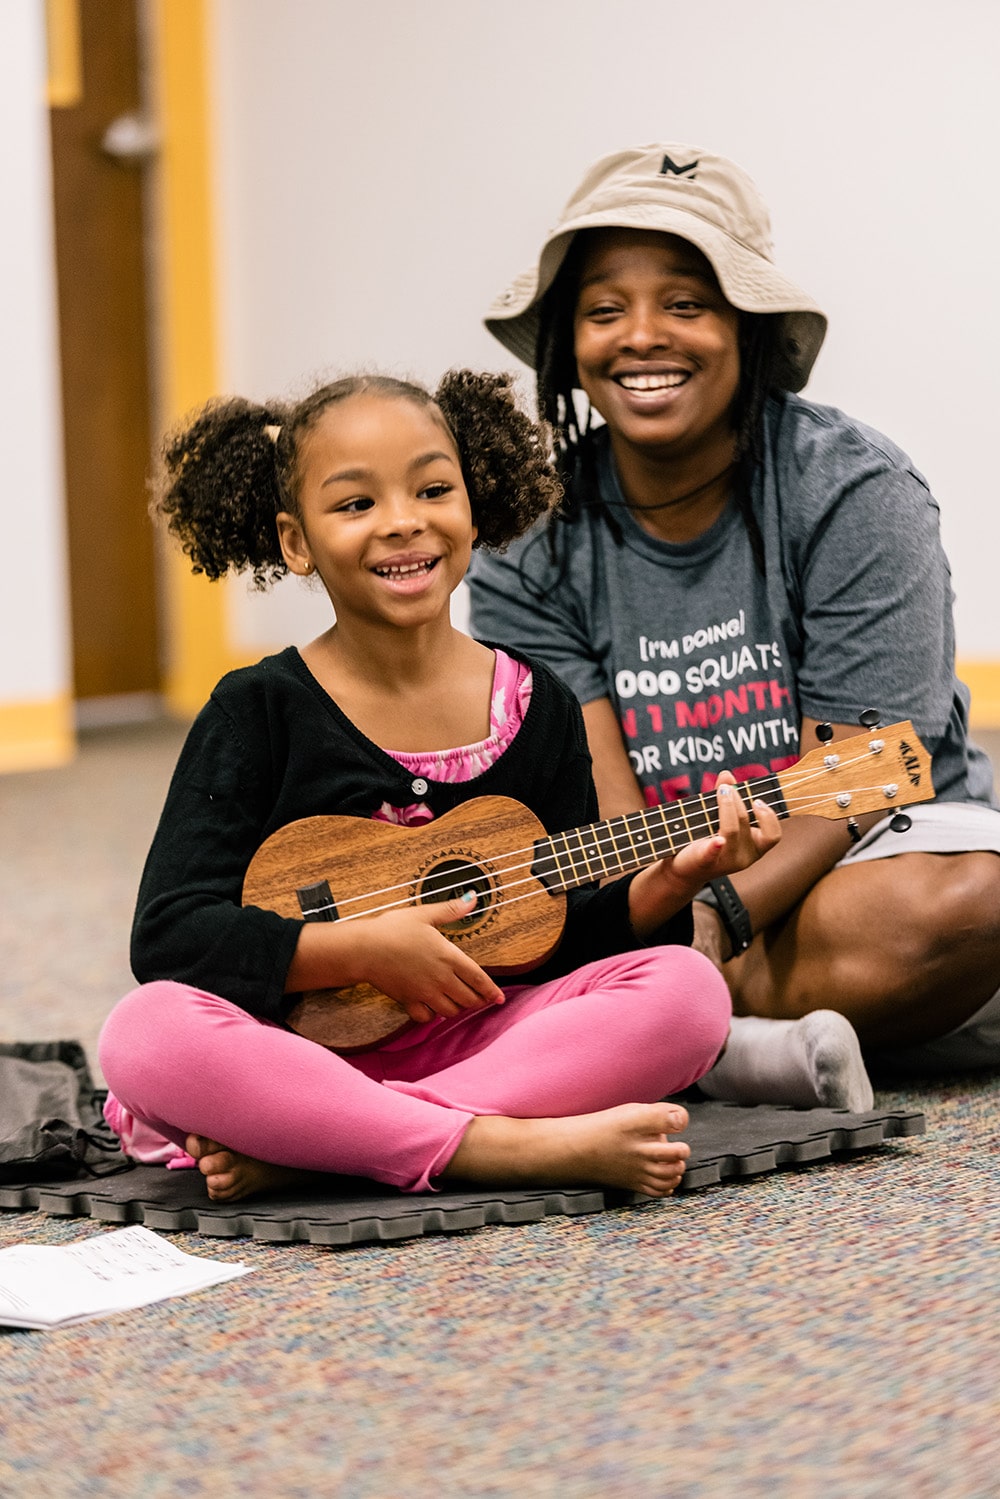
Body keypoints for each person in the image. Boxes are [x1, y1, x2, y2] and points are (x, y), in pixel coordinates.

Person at [99, 369, 871, 1206]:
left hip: (483, 1040)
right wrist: (357, 950)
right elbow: (172, 936)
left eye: (433, 488)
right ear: (295, 542)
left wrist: (678, 877)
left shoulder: (540, 708)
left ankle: (341, 1142)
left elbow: (561, 938)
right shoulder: (258, 710)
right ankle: (495, 1145)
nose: (402, 522)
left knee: (686, 993)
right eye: (356, 505)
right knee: (145, 1033)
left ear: (474, 505)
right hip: (292, 1050)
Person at [468, 142, 1000, 1074]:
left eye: (685, 303)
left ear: (747, 328)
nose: (641, 337)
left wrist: (720, 915)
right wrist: (661, 908)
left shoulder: (850, 488)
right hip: (658, 882)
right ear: (568, 347)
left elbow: (856, 788)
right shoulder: (530, 539)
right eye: (603, 310)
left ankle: (661, 1029)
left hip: (859, 851)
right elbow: (604, 810)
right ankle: (730, 1037)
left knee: (966, 902)